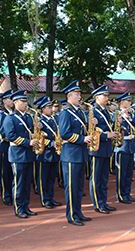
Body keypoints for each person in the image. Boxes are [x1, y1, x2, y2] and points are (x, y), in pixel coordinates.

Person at [58, 80, 93, 225]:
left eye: (79, 94)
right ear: (69, 96)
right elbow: (65, 133)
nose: (80, 97)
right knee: (71, 187)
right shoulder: (66, 113)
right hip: (71, 154)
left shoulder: (79, 112)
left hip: (80, 153)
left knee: (79, 187)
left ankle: (78, 212)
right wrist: (82, 138)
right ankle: (71, 215)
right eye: (77, 94)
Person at [5, 90, 39, 219]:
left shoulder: (29, 117)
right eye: (23, 101)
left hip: (29, 154)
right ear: (15, 103)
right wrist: (28, 142)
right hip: (17, 154)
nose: (26, 104)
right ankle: (19, 208)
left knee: (26, 183)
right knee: (18, 183)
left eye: (26, 101)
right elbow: (11, 136)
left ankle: (26, 206)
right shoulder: (10, 118)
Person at [89, 84, 118, 213]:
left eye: (107, 95)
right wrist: (107, 135)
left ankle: (103, 201)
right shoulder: (92, 112)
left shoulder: (105, 111)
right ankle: (97, 203)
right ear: (96, 97)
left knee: (104, 177)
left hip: (106, 148)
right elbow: (91, 132)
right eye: (104, 95)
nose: (107, 98)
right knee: (96, 177)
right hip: (97, 148)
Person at [34, 96, 61, 209]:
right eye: (48, 107)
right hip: (44, 153)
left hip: (54, 153)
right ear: (42, 109)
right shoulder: (39, 122)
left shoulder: (53, 120)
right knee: (43, 178)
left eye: (50, 107)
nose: (51, 109)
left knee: (51, 178)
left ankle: (50, 197)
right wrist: (51, 144)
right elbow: (38, 137)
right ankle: (44, 199)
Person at [115, 92, 135, 202]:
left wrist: (129, 116)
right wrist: (120, 120)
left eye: (130, 101)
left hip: (130, 145)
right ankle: (120, 195)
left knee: (129, 172)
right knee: (122, 172)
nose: (129, 103)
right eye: (127, 101)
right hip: (122, 145)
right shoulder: (116, 114)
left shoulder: (130, 114)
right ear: (122, 102)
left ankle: (127, 193)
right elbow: (114, 128)